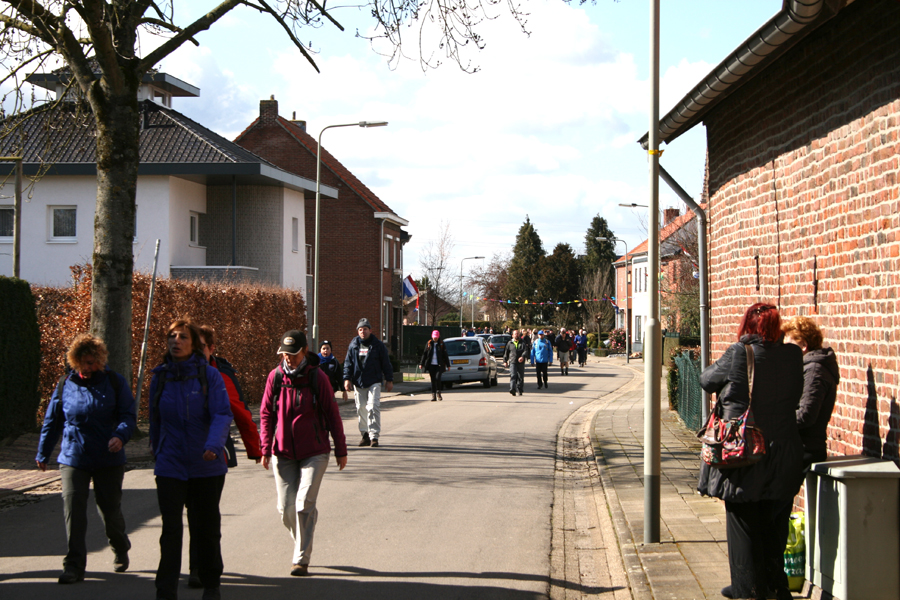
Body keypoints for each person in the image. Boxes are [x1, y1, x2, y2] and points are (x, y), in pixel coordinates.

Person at [697, 303, 804, 600]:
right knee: (774, 523)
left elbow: (706, 380)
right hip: (784, 452)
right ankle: (775, 586)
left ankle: (748, 590)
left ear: (747, 325)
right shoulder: (794, 355)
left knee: (743, 523)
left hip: (744, 452)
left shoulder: (739, 353)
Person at [35, 334, 136, 584]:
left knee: (109, 511)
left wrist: (120, 436)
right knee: (74, 509)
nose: (87, 368)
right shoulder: (64, 384)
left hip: (108, 457)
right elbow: (52, 421)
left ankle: (120, 544)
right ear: (74, 361)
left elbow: (128, 415)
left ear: (100, 361)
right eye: (83, 363)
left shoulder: (114, 382)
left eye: (92, 362)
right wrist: (43, 453)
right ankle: (74, 566)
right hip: (73, 456)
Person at [150, 320, 233, 600]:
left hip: (205, 464)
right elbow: (155, 418)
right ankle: (165, 590)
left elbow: (222, 414)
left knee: (206, 528)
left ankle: (211, 584)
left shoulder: (209, 376)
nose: (175, 341)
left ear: (194, 344)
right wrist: (156, 449)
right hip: (170, 463)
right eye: (171, 336)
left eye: (182, 337)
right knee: (171, 529)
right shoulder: (160, 376)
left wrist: (213, 445)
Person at [260, 330, 348, 577]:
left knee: (302, 504)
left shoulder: (317, 377)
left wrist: (341, 449)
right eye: (285, 354)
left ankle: (301, 559)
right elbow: (266, 414)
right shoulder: (275, 378)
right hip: (283, 451)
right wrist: (265, 447)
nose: (289, 359)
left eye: (294, 354)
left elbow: (332, 414)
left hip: (315, 451)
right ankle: (305, 529)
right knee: (285, 509)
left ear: (304, 351)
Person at [186, 325, 262, 588]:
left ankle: (201, 566)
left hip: (211, 454)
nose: (195, 353)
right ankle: (197, 565)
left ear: (211, 349)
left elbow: (240, 412)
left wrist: (255, 448)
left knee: (202, 512)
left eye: (201, 348)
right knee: (190, 513)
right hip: (178, 455)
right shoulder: (173, 375)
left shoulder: (220, 376)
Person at [781, 316, 840, 468]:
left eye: (789, 346)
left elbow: (806, 415)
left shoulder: (814, 371)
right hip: (799, 446)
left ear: (804, 345)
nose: (785, 351)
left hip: (806, 449)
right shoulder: (808, 368)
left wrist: (775, 422)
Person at [343, 318, 394, 447]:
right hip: (358, 382)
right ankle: (365, 434)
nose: (363, 332)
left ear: (370, 330)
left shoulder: (378, 345)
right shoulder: (353, 345)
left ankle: (374, 436)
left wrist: (389, 379)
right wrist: (347, 379)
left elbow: (386, 363)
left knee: (373, 407)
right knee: (361, 408)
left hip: (374, 381)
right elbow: (348, 363)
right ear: (358, 331)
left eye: (365, 329)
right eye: (360, 329)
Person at [419, 330, 451, 401]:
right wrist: (421, 363)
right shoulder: (429, 343)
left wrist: (448, 365)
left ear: (438, 337)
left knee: (437, 378)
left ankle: (438, 392)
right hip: (431, 365)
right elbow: (424, 354)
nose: (435, 338)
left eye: (436, 337)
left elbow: (445, 355)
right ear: (432, 336)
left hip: (439, 365)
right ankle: (433, 395)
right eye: (434, 337)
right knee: (433, 380)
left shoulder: (441, 344)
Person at [503, 329, 528, 396]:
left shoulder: (522, 342)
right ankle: (512, 389)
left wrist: (522, 357)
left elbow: (526, 350)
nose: (516, 335)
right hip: (512, 361)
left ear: (519, 335)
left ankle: (520, 389)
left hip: (520, 362)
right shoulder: (510, 343)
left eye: (517, 333)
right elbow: (506, 352)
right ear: (512, 335)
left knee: (520, 377)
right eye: (515, 334)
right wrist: (505, 361)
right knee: (513, 375)